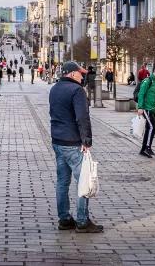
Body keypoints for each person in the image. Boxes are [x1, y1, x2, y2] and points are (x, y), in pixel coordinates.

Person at [49, 61, 101, 233]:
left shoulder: (54, 89)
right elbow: (82, 118)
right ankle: (82, 221)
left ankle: (64, 219)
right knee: (83, 181)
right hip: (73, 143)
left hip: (57, 141)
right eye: (80, 73)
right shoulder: (77, 90)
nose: (82, 76)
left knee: (62, 182)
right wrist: (87, 141)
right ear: (71, 74)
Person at [136, 65, 155, 158]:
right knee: (153, 126)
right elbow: (141, 94)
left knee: (149, 127)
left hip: (152, 109)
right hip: (146, 108)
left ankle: (143, 149)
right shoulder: (148, 81)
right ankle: (148, 148)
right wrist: (140, 107)